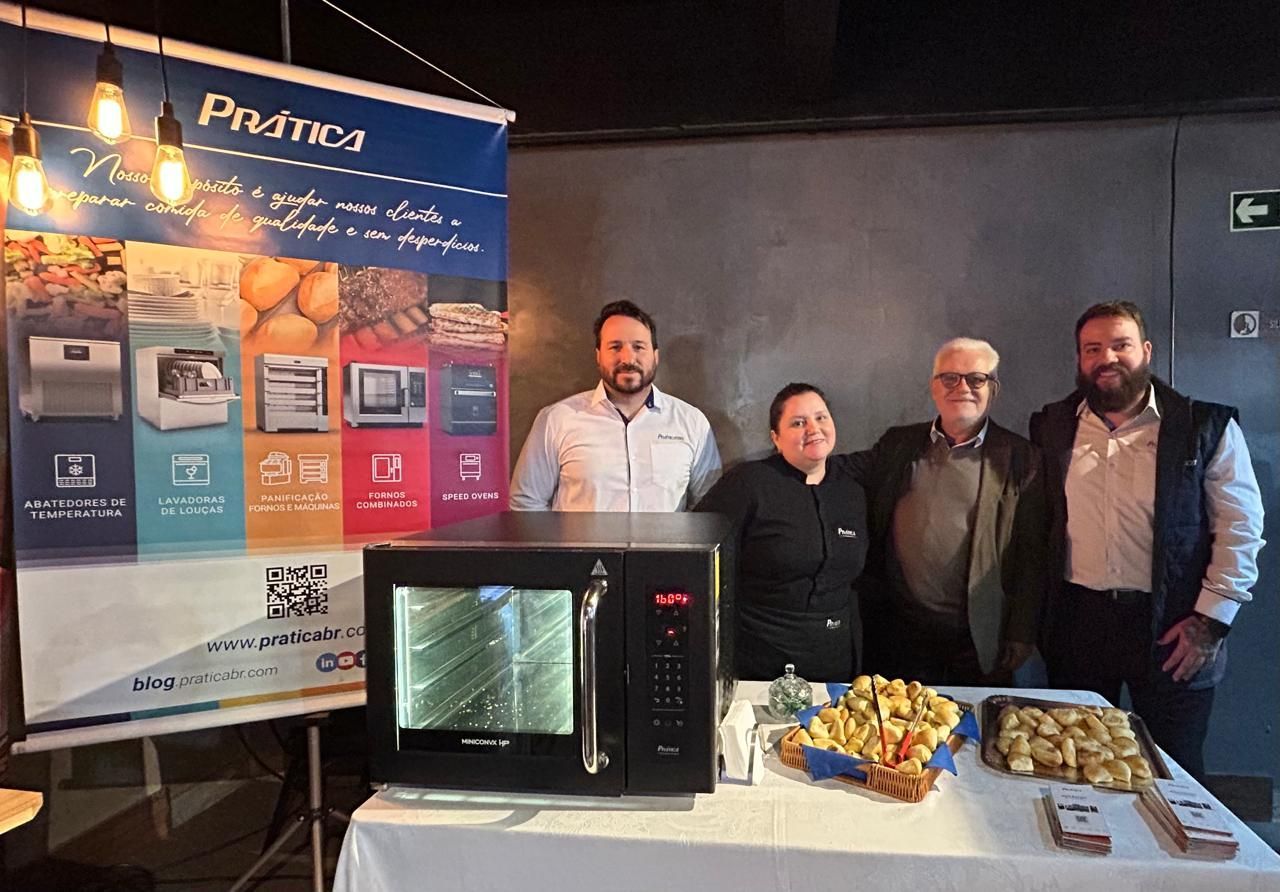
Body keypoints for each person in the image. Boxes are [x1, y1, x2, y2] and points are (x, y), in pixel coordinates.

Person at [1029, 301, 1265, 781]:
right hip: (1079, 623)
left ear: (1146, 351)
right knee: (1075, 764)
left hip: (1174, 625)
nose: (1107, 358)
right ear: (1079, 359)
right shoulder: (1053, 425)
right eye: (1092, 348)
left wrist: (1210, 622)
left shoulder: (1205, 426)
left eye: (1120, 345)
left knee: (1175, 773)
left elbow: (1240, 526)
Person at [845, 338, 1046, 685]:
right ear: (933, 387)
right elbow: (838, 472)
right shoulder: (898, 445)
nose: (962, 388)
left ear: (993, 388)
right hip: (899, 634)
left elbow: (1032, 555)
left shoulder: (1022, 458)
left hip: (978, 637)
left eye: (976, 379)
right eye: (950, 378)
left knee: (971, 735)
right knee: (898, 733)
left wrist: (1022, 632)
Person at [695, 383, 867, 681]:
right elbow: (699, 551)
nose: (813, 429)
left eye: (821, 418)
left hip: (836, 658)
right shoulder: (749, 483)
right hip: (761, 658)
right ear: (776, 437)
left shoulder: (852, 491)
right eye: (798, 423)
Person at [510, 300, 721, 511]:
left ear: (655, 356)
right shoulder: (556, 420)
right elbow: (526, 502)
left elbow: (710, 507)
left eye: (638, 347)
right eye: (615, 347)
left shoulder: (692, 423)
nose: (628, 358)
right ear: (598, 355)